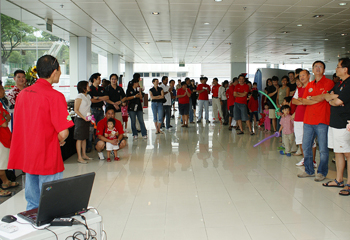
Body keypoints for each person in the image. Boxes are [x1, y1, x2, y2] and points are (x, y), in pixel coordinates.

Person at [8, 55, 74, 210]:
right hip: (48, 155)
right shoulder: (55, 96)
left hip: (29, 155)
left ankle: (34, 226)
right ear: (54, 72)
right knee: (50, 201)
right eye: (59, 70)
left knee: (32, 201)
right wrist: (59, 138)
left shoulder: (23, 94)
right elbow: (63, 133)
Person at [297, 61, 334, 181]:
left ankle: (322, 172)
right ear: (312, 69)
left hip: (322, 120)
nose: (318, 68)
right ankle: (309, 170)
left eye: (320, 67)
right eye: (316, 67)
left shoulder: (329, 83)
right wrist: (318, 98)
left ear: (323, 70)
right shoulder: (310, 84)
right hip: (308, 120)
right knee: (306, 146)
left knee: (323, 149)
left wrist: (311, 98)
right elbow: (303, 101)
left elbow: (325, 97)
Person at [322, 58, 350, 194]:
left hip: (344, 124)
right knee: (338, 152)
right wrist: (333, 98)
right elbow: (328, 97)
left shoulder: (349, 83)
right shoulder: (339, 84)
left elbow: (337, 101)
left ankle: (349, 184)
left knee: (347, 153)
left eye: (338, 66)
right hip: (334, 123)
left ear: (345, 69)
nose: (336, 69)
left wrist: (334, 99)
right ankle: (339, 180)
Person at [292, 70, 317, 167]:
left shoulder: (312, 87)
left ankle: (313, 161)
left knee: (311, 141)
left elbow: (313, 101)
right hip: (298, 117)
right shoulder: (299, 88)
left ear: (309, 76)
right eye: (300, 76)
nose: (301, 78)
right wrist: (304, 101)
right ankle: (306, 159)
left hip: (308, 118)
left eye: (303, 75)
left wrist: (302, 100)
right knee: (300, 140)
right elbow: (294, 101)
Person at [0, 81, 19, 197]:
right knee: (1, 163)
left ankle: (6, 182)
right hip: (1, 139)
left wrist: (5, 118)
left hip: (5, 137)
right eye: (1, 88)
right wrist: (5, 119)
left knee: (3, 162)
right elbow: (4, 124)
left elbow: (7, 116)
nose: (3, 91)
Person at [74, 81, 93, 164]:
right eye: (87, 85)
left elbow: (89, 108)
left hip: (87, 119)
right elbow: (76, 110)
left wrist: (90, 116)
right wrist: (83, 117)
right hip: (80, 119)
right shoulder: (79, 96)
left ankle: (84, 154)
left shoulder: (88, 96)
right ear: (83, 87)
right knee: (79, 138)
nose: (89, 87)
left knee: (85, 137)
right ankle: (79, 157)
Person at [125, 75, 148, 139]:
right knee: (133, 121)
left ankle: (144, 133)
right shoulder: (129, 90)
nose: (138, 84)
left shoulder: (138, 90)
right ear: (134, 83)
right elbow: (127, 98)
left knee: (141, 120)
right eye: (137, 83)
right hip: (131, 107)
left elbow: (141, 97)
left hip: (139, 107)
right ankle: (135, 134)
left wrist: (140, 91)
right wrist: (135, 96)